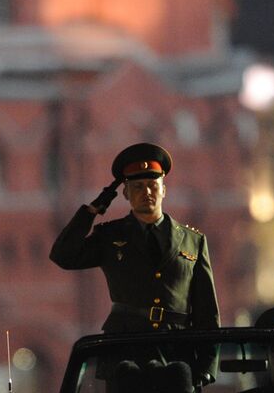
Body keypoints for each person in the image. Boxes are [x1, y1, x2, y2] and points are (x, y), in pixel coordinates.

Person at [50, 142, 219, 334]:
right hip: (126, 343)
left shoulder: (193, 241)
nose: (146, 192)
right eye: (138, 187)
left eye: (152, 186)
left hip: (175, 345)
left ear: (164, 190)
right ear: (125, 193)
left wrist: (206, 355)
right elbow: (63, 256)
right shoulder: (110, 236)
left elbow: (207, 313)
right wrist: (91, 212)